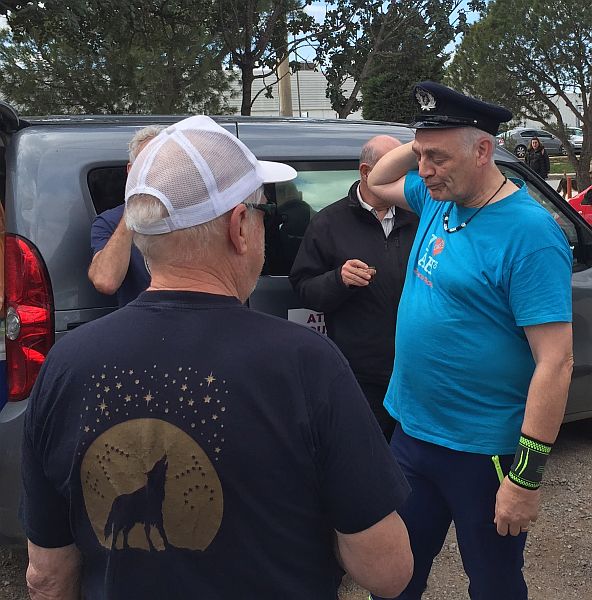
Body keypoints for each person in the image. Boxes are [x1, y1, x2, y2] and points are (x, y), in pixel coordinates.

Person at [20, 116, 413, 600]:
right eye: (263, 213)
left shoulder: (65, 365)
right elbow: (387, 571)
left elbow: (46, 575)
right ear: (239, 228)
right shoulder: (309, 363)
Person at [367, 81, 573, 600]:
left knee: (494, 581)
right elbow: (376, 180)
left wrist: (526, 479)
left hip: (484, 452)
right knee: (394, 573)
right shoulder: (438, 198)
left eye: (438, 158)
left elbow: (556, 361)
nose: (423, 170)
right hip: (412, 433)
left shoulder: (530, 234)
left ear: (483, 151)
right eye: (421, 156)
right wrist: (424, 142)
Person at [290, 136, 418, 439]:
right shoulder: (328, 223)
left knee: (413, 458)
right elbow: (304, 288)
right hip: (362, 376)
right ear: (366, 172)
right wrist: (339, 279)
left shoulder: (420, 216)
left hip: (418, 372)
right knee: (369, 452)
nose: (404, 181)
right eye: (396, 172)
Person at [88, 125, 164, 306]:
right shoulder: (109, 222)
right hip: (142, 320)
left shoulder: (194, 213)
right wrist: (135, 205)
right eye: (146, 163)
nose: (154, 170)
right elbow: (105, 281)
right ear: (131, 170)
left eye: (162, 162)